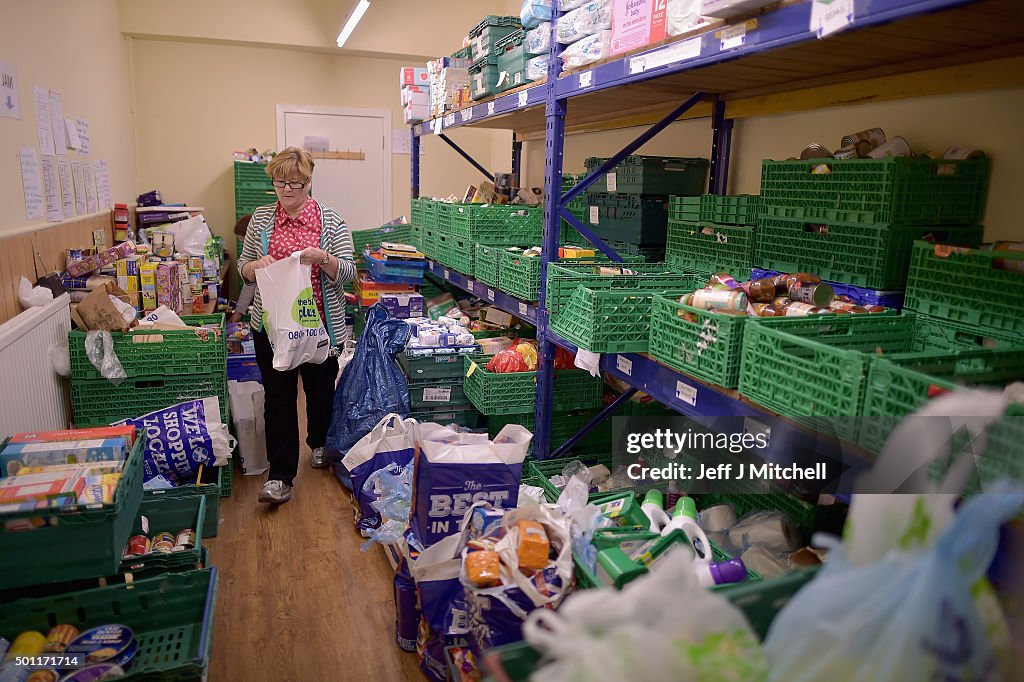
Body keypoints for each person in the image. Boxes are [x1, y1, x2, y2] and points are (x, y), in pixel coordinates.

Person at [237, 147, 356, 504]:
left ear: (309, 183)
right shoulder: (260, 220)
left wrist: (324, 258)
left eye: (296, 183)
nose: (287, 190)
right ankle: (281, 475)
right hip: (273, 330)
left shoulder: (330, 222)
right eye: (280, 183)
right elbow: (244, 270)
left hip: (320, 327)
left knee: (321, 394)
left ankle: (319, 442)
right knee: (279, 400)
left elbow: (349, 273)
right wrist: (257, 266)